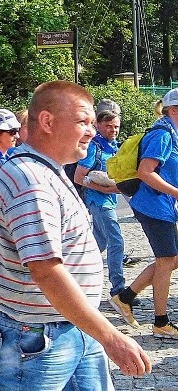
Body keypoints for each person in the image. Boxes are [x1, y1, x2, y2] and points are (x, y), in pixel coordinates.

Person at [0, 81, 151, 391]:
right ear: (47, 121)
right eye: (82, 122)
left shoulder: (47, 169)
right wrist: (112, 336)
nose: (90, 131)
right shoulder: (31, 181)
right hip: (37, 336)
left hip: (70, 326)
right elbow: (46, 270)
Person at [112, 88, 178, 337]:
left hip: (161, 206)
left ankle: (125, 297)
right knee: (166, 261)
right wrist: (176, 193)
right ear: (173, 109)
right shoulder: (162, 134)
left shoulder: (171, 131)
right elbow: (145, 171)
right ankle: (161, 322)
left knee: (173, 259)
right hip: (153, 206)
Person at [73, 108, 126, 300]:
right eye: (109, 126)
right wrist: (103, 188)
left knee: (96, 244)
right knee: (116, 241)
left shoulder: (113, 147)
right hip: (98, 201)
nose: (113, 130)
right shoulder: (94, 147)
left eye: (116, 126)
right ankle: (118, 290)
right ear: (98, 126)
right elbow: (79, 177)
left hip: (109, 199)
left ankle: (73, 278)